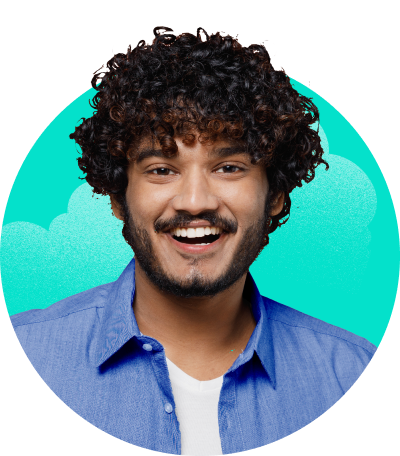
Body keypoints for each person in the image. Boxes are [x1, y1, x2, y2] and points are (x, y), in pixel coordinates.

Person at [10, 27, 377, 454]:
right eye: (162, 169)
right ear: (117, 199)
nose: (195, 202)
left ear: (275, 196)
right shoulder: (32, 353)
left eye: (230, 167)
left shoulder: (349, 372)